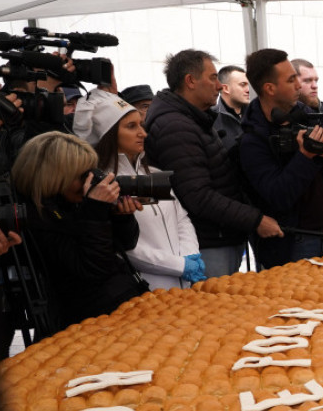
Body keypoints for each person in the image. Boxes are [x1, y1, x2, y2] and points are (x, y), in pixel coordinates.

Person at [145, 49, 280, 278]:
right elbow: (198, 195)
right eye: (212, 77)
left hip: (218, 237)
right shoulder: (176, 126)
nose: (219, 85)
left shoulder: (192, 118)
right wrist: (254, 219)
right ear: (190, 81)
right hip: (208, 243)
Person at [10, 131, 146, 328]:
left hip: (121, 307)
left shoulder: (73, 203)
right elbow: (92, 269)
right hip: (88, 323)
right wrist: (96, 212)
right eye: (82, 176)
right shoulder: (37, 218)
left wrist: (121, 217)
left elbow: (125, 244)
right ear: (54, 177)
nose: (88, 183)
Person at [78, 93, 205, 290]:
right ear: (109, 134)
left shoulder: (153, 173)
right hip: (146, 288)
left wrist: (190, 254)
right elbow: (123, 246)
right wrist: (179, 265)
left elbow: (181, 218)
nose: (143, 133)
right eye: (131, 126)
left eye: (140, 124)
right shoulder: (102, 186)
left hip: (184, 285)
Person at [239, 48, 323, 267]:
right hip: (291, 243)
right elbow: (278, 195)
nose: (298, 85)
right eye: (291, 79)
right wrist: (306, 155)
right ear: (270, 88)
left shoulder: (304, 115)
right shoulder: (252, 140)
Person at [211, 64, 249, 151]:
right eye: (243, 85)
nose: (248, 90)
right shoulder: (211, 118)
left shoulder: (257, 114)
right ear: (225, 88)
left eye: (248, 85)